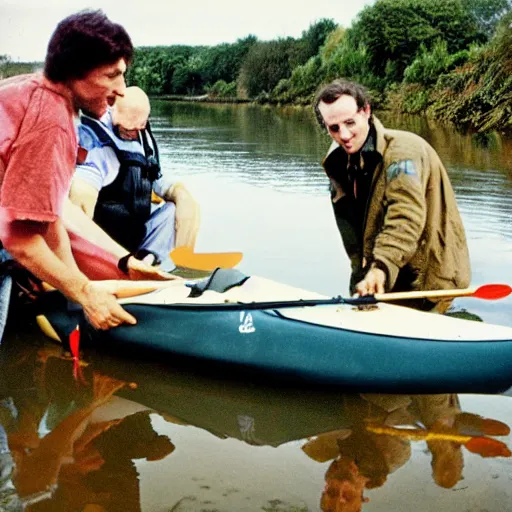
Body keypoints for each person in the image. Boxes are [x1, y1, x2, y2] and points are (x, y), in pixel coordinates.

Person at [0, 10, 166, 332]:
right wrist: (85, 293)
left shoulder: (33, 88)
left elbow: (48, 220)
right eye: (110, 75)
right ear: (75, 72)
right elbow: (19, 237)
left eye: (122, 74)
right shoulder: (50, 123)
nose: (121, 89)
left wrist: (74, 283)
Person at [313, 79, 471, 312]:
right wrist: (363, 278)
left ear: (366, 111)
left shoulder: (403, 154)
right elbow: (355, 233)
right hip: (381, 278)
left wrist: (381, 268)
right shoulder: (340, 161)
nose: (344, 135)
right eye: (334, 128)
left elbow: (405, 217)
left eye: (350, 123)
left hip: (427, 281)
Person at [69, 86, 200, 271]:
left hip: (135, 237)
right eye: (127, 128)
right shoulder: (96, 145)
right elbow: (80, 199)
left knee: (176, 207)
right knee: (80, 202)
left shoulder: (143, 138)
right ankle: (86, 269)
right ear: (112, 110)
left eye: (139, 127)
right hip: (102, 245)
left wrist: (179, 192)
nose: (133, 133)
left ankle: (167, 265)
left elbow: (156, 177)